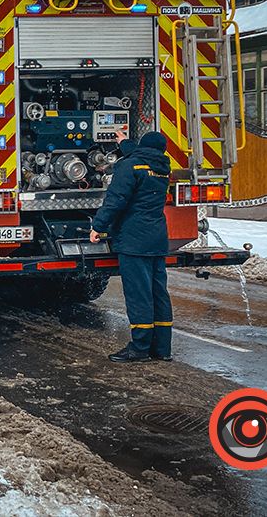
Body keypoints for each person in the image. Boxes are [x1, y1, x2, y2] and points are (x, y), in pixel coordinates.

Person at [90, 130, 173, 363]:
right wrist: (124, 142)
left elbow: (115, 200)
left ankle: (139, 348)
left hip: (134, 240)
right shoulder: (161, 167)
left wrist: (98, 227)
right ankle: (162, 348)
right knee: (159, 293)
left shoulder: (129, 167)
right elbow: (140, 157)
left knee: (139, 295)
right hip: (157, 239)